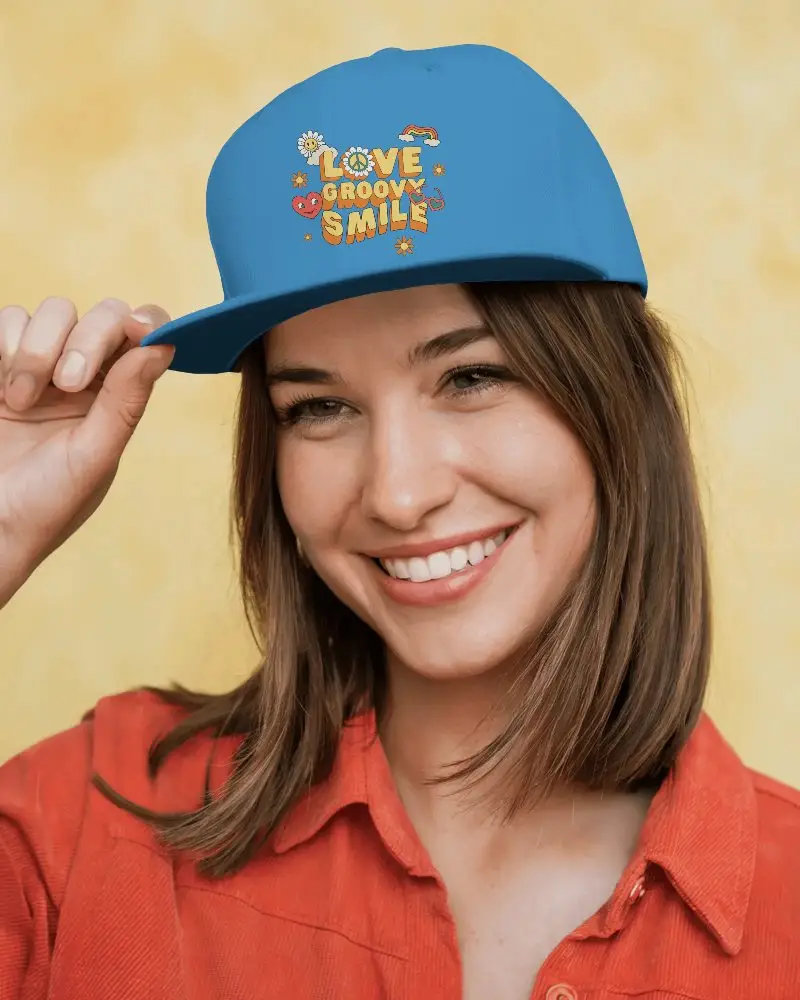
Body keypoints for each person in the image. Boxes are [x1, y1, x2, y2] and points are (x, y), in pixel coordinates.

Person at [0, 43, 797, 1000]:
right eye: (319, 407)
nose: (399, 494)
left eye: (471, 377)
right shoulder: (82, 828)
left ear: (616, 403)